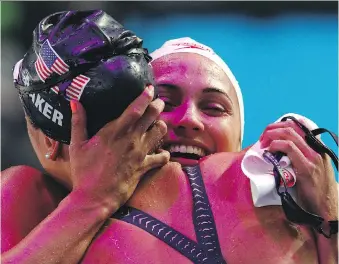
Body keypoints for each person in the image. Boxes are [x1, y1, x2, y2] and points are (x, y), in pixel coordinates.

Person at [1, 10, 337, 264]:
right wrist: (93, 198)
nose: (189, 120)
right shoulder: (39, 199)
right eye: (164, 102)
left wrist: (329, 209)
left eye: (214, 108)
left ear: (240, 139)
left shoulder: (284, 184)